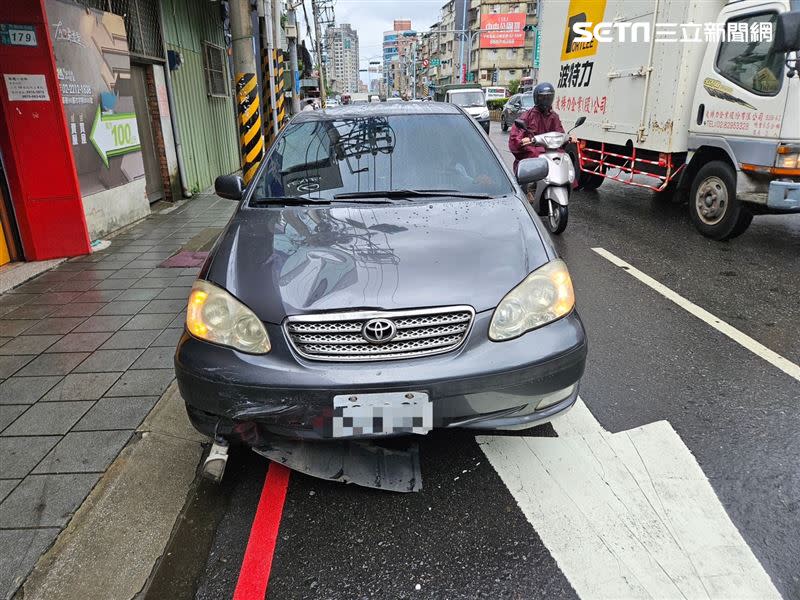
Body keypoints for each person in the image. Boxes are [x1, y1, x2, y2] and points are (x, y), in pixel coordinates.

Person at [508, 82, 565, 175]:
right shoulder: (528, 116)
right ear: (536, 98)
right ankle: (530, 187)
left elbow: (560, 132)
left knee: (564, 158)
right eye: (543, 98)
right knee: (533, 161)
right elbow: (515, 135)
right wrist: (521, 141)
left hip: (550, 152)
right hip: (533, 152)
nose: (546, 101)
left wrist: (568, 138)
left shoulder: (554, 117)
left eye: (548, 98)